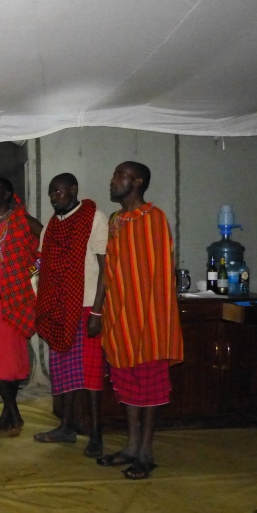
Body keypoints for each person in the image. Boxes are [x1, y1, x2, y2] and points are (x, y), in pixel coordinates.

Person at [96, 161, 183, 479]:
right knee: (128, 386)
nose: (112, 180)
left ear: (138, 182)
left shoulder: (153, 218)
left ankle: (146, 453)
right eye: (114, 174)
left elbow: (159, 274)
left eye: (120, 175)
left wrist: (147, 317)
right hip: (120, 320)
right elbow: (110, 271)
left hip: (148, 321)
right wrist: (99, 311)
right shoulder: (116, 220)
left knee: (150, 388)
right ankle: (131, 447)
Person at [34, 173, 107, 457]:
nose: (54, 198)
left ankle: (96, 433)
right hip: (59, 309)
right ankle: (66, 427)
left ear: (73, 190)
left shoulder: (94, 219)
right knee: (63, 372)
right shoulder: (51, 227)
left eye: (59, 192)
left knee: (90, 374)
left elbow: (105, 269)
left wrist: (97, 311)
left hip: (87, 306)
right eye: (51, 193)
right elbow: (44, 270)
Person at [0, 177, 43, 435]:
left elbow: (47, 238)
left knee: (12, 363)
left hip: (15, 301)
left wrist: (34, 268)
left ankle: (11, 416)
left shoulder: (22, 221)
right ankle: (12, 414)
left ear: (7, 195)